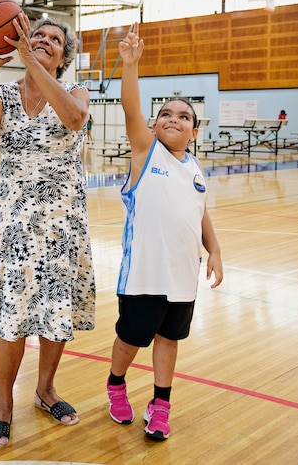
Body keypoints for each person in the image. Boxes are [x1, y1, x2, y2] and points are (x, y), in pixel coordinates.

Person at [0, 12, 95, 449]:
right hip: (16, 226)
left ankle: (46, 389)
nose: (44, 40)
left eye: (54, 39)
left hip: (62, 224)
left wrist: (31, 61)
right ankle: (3, 402)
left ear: (64, 56)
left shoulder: (75, 91)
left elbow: (73, 119)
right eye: (38, 34)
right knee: (12, 320)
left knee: (55, 317)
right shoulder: (2, 95)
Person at [106, 23, 224, 441]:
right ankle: (116, 384)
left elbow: (200, 211)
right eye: (166, 114)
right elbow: (130, 108)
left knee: (168, 340)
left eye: (184, 116)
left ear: (195, 130)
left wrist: (215, 251)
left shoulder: (195, 167)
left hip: (182, 275)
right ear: (154, 125)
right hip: (144, 273)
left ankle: (161, 404)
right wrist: (131, 65)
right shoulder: (145, 152)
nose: (174, 119)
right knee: (130, 338)